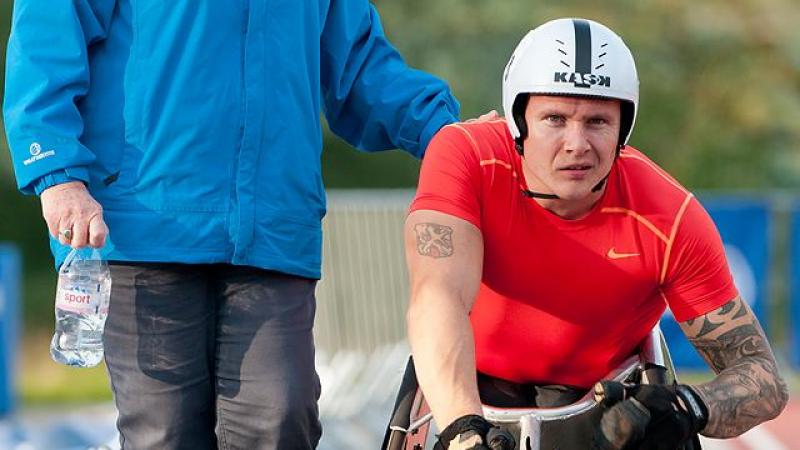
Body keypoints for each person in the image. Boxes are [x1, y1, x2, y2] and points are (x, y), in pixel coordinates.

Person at [4, 1, 461, 449]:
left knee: (281, 422)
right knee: (165, 434)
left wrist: (447, 134)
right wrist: (58, 176)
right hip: (140, 229)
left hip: (273, 232)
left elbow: (361, 68)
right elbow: (46, 39)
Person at [404, 18, 788, 450]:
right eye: (554, 118)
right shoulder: (464, 155)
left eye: (598, 122)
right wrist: (461, 428)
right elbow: (437, 299)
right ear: (518, 121)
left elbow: (762, 376)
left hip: (609, 409)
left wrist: (685, 407)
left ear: (623, 129)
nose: (577, 144)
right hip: (468, 392)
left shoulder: (671, 216)